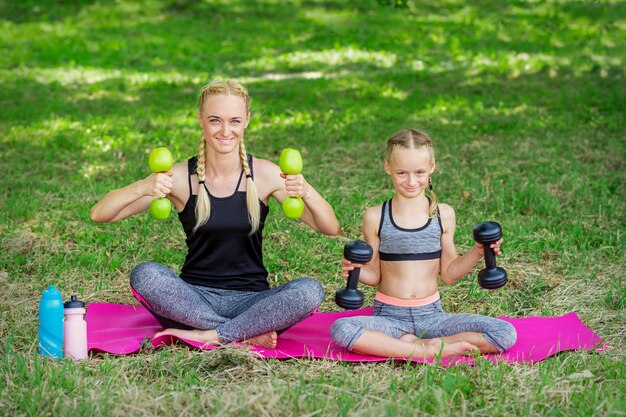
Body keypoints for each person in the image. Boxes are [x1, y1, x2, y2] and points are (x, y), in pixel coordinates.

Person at [91, 80, 340, 349]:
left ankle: (211, 335)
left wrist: (307, 190)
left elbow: (329, 227)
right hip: (192, 300)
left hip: (251, 301)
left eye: (234, 121)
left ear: (246, 121)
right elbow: (101, 214)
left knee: (309, 291)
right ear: (200, 120)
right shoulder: (178, 177)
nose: (225, 130)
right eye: (215, 120)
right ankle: (240, 333)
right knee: (146, 274)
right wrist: (143, 186)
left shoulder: (266, 174)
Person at [330, 129, 517, 359]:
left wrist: (478, 251)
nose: (411, 181)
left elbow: (448, 274)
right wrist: (354, 270)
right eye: (401, 173)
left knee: (504, 333)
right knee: (342, 329)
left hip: (432, 316)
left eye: (419, 172)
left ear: (432, 167)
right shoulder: (375, 216)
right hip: (389, 317)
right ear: (387, 167)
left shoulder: (443, 215)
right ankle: (422, 350)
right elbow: (375, 275)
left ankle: (422, 345)